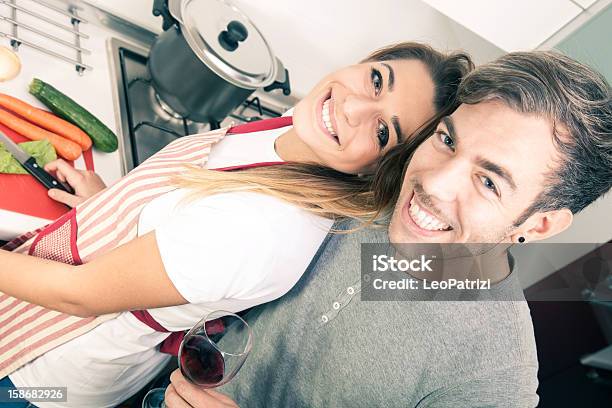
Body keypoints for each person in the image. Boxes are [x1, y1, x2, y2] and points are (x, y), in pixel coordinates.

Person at [0, 43, 473, 407]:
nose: (352, 109)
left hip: (43, 377)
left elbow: (77, 293)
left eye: (382, 130)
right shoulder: (294, 130)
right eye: (376, 79)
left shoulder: (264, 232)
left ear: (378, 169)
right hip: (39, 304)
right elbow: (183, 218)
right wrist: (112, 201)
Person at [161, 51, 611, 407]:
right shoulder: (375, 184)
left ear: (541, 222)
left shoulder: (492, 379)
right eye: (447, 140)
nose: (431, 183)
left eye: (488, 181)